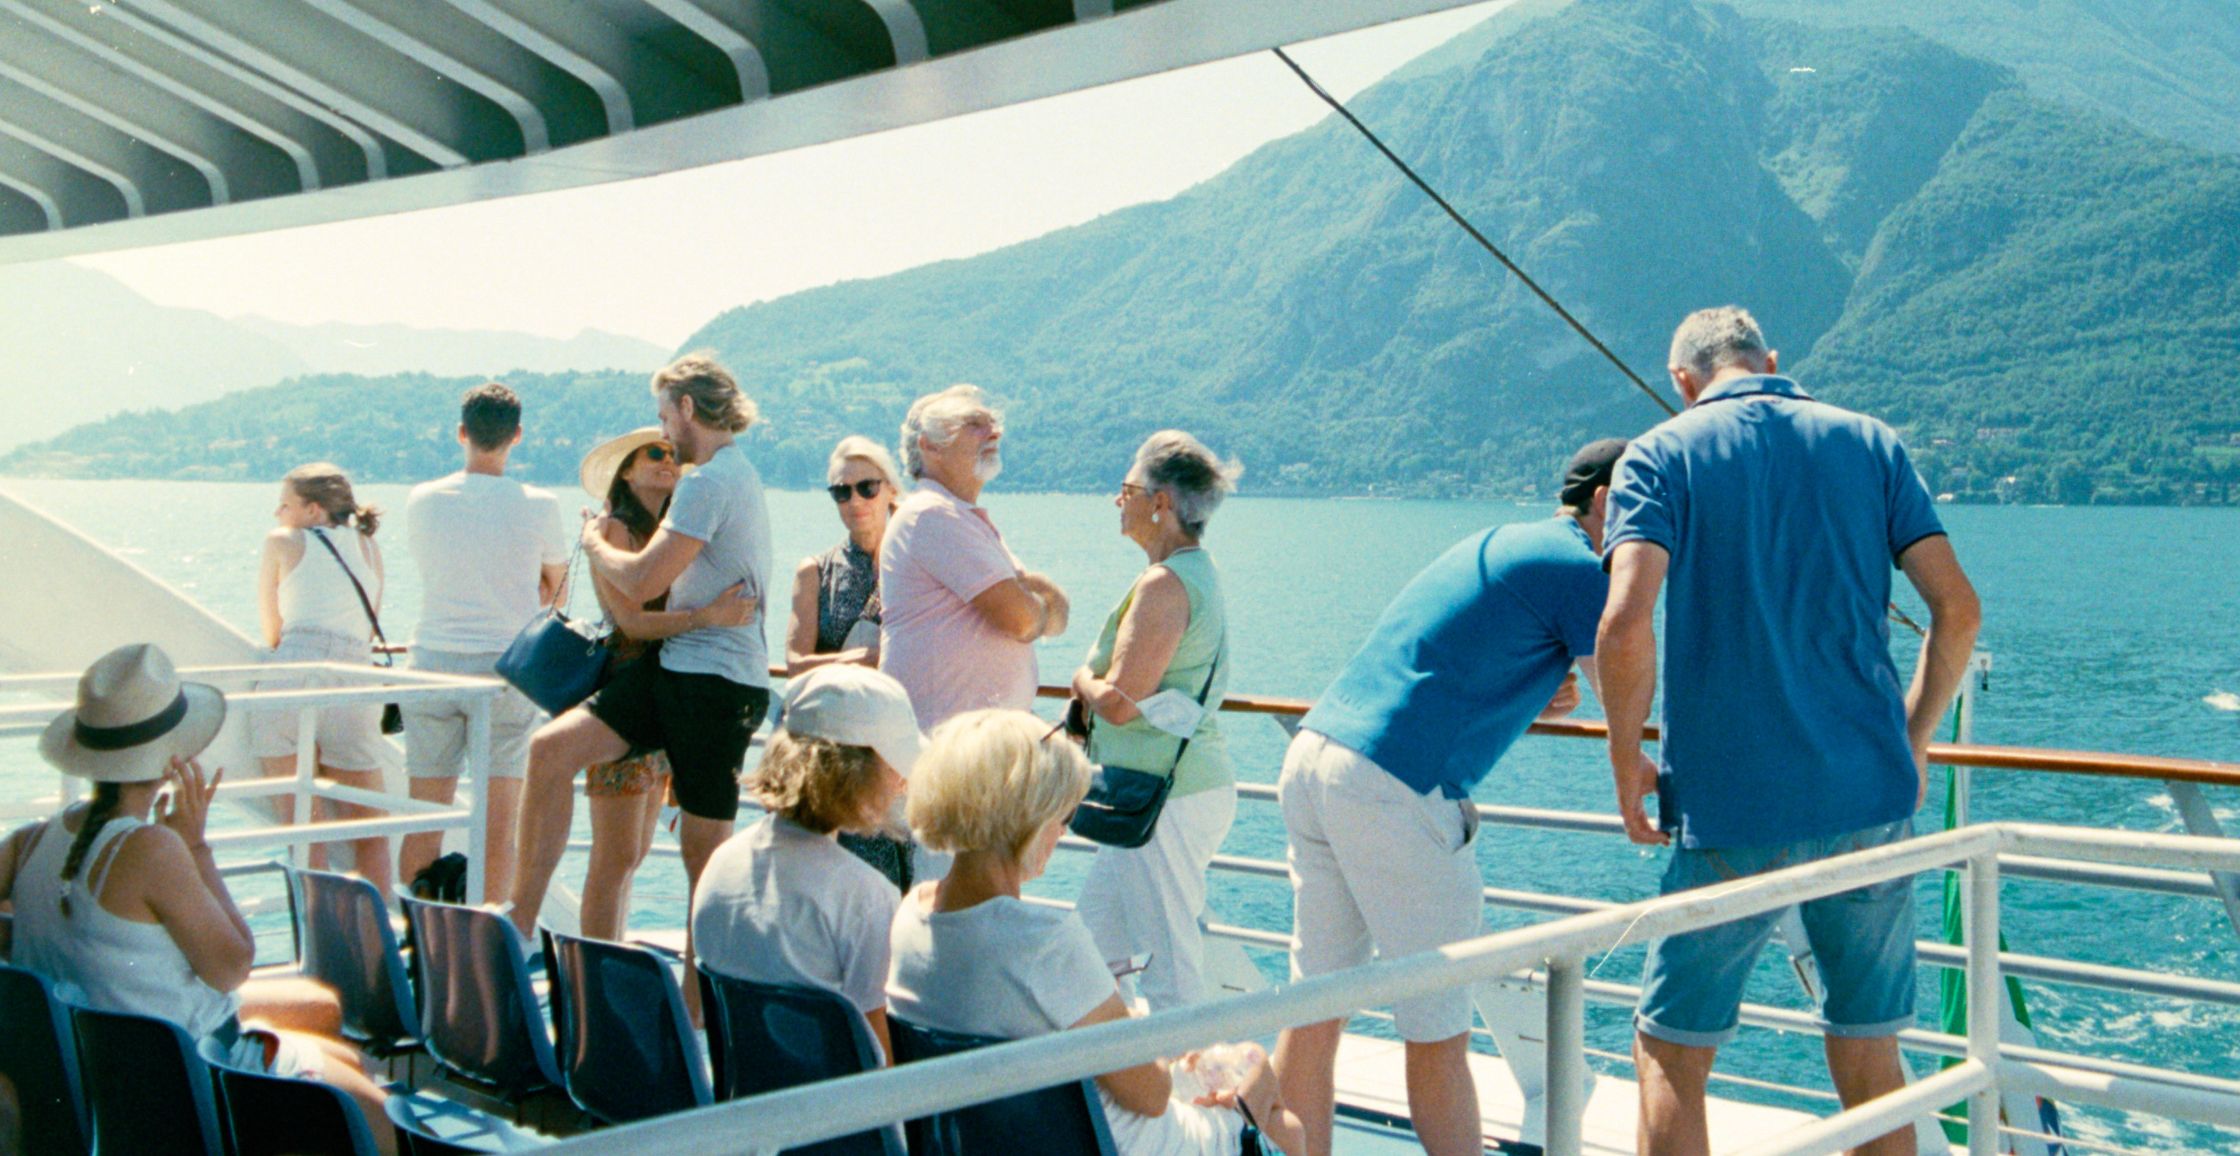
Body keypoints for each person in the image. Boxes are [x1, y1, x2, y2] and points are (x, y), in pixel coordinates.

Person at [1597, 307, 1981, 1156]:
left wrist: (1627, 762)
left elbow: (1626, 623)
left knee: (1671, 1049)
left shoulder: (1660, 454)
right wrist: (1912, 741)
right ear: (1773, 359)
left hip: (1732, 806)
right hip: (1868, 800)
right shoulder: (1872, 443)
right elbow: (1957, 611)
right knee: (1868, 1047)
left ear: (1684, 383)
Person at [1267, 438, 1624, 1156]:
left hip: (1317, 756)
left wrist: (1535, 688)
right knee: (1436, 1030)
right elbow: (1629, 691)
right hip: (1392, 785)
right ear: (1606, 503)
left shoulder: (1512, 542)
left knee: (1313, 1011)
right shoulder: (1585, 571)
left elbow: (1480, 655)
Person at [0, 645, 394, 1153]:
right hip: (189, 1075)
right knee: (377, 1114)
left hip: (106, 1064)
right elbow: (233, 965)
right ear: (171, 758)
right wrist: (195, 843)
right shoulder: (152, 848)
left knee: (321, 1010)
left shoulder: (30, 840)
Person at [887, 710, 1306, 1156]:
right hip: (1117, 1143)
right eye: (1060, 812)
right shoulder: (1044, 942)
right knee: (1282, 1118)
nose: (1064, 828)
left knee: (1253, 1069)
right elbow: (1150, 1095)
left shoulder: (909, 919)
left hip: (986, 1139)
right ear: (1023, 817)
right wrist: (1140, 1037)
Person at [510, 353, 774, 993]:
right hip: (674, 671)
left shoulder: (711, 480)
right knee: (550, 750)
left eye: (664, 414)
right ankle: (517, 923)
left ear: (687, 408)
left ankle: (697, 1010)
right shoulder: (716, 478)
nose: (664, 430)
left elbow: (641, 578)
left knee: (702, 853)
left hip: (719, 686)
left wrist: (593, 540)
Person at [1069, 431, 1241, 1014]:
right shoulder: (1194, 572)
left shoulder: (1165, 584)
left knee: (1170, 971)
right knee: (1091, 957)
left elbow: (1118, 700)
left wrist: (1079, 682)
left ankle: (1196, 1100)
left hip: (1166, 799)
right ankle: (1111, 1084)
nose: (1119, 502)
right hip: (1155, 796)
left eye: (1127, 490)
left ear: (1160, 501)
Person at [574, 428, 756, 941]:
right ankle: (594, 968)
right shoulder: (612, 531)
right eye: (653, 453)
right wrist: (709, 616)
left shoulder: (672, 532)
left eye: (672, 454)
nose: (667, 461)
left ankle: (613, 956)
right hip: (627, 690)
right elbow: (630, 625)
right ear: (626, 470)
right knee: (615, 855)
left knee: (632, 854)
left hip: (667, 695)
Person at [691, 665, 921, 1060]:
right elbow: (874, 1057)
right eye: (895, 766)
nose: (902, 781)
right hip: (827, 1116)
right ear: (856, 773)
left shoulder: (721, 862)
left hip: (743, 1104)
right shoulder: (865, 895)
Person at [398, 382, 568, 905]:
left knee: (426, 814)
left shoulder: (422, 500)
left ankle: (420, 933)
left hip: (432, 667)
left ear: (461, 432)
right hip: (505, 672)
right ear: (517, 435)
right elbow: (557, 593)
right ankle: (487, 940)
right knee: (498, 824)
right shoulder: (540, 505)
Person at [879, 384, 1070, 731]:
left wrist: (1028, 602)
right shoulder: (932, 516)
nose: (994, 432)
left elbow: (1054, 618)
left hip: (971, 747)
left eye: (993, 423)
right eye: (974, 424)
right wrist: (1035, 601)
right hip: (944, 748)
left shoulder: (960, 518)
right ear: (930, 445)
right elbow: (1021, 618)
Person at [252, 462, 393, 898]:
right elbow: (369, 630)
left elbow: (272, 631)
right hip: (352, 678)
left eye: (286, 503)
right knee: (371, 831)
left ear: (313, 511)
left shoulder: (282, 541)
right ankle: (374, 938)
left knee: (304, 829)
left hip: (292, 676)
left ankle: (319, 934)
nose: (278, 513)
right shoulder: (370, 549)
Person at [786, 435, 914, 890]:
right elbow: (797, 664)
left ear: (891, 490)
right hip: (841, 762)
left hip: (904, 751)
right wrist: (866, 658)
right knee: (849, 888)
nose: (854, 500)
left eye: (867, 487)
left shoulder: (919, 563)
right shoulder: (816, 571)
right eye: (841, 491)